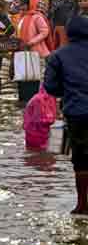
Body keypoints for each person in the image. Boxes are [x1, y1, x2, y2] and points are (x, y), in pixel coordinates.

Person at [43, 16, 88, 213]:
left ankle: (82, 204)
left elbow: (51, 87)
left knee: (81, 159)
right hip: (77, 108)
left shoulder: (58, 56)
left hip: (77, 112)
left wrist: (68, 91)